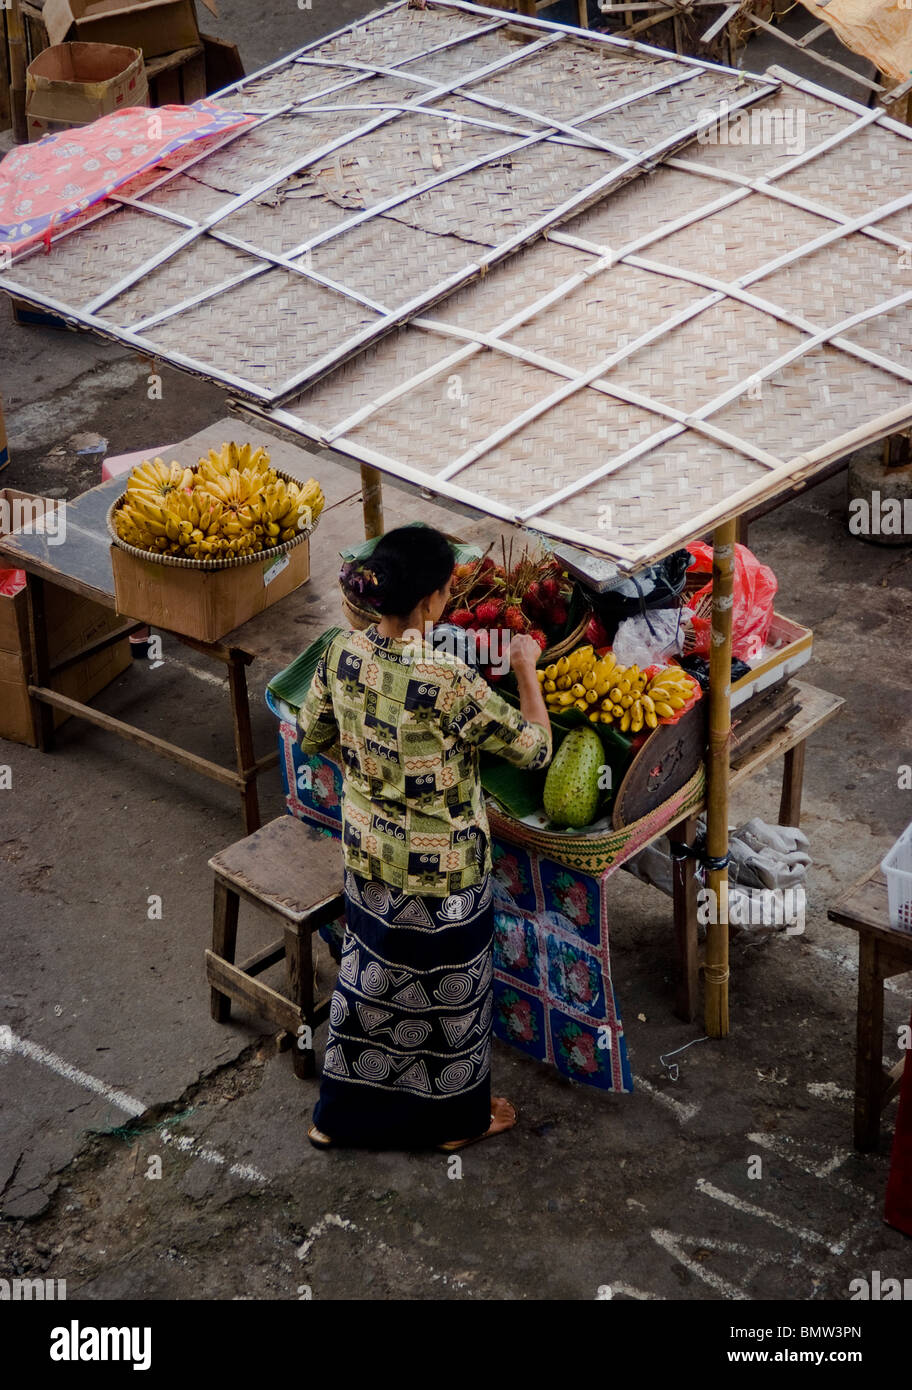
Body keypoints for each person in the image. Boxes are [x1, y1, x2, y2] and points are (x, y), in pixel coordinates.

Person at [297, 525, 551, 1151]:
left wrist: (371, 769)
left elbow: (313, 735)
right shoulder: (448, 679)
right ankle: (453, 1125)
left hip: (368, 852)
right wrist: (526, 671)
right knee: (449, 996)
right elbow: (536, 750)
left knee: (370, 980)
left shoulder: (339, 652)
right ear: (435, 600)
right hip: (444, 873)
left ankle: (337, 1117)